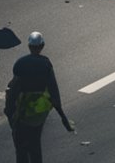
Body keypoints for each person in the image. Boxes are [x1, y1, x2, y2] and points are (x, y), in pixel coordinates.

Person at [5, 31, 73, 163]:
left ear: (29, 46)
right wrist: (63, 117)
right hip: (38, 113)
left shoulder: (21, 63)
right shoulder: (46, 64)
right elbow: (54, 91)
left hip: (22, 112)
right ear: (42, 46)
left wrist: (9, 112)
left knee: (21, 147)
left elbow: (13, 90)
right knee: (35, 144)